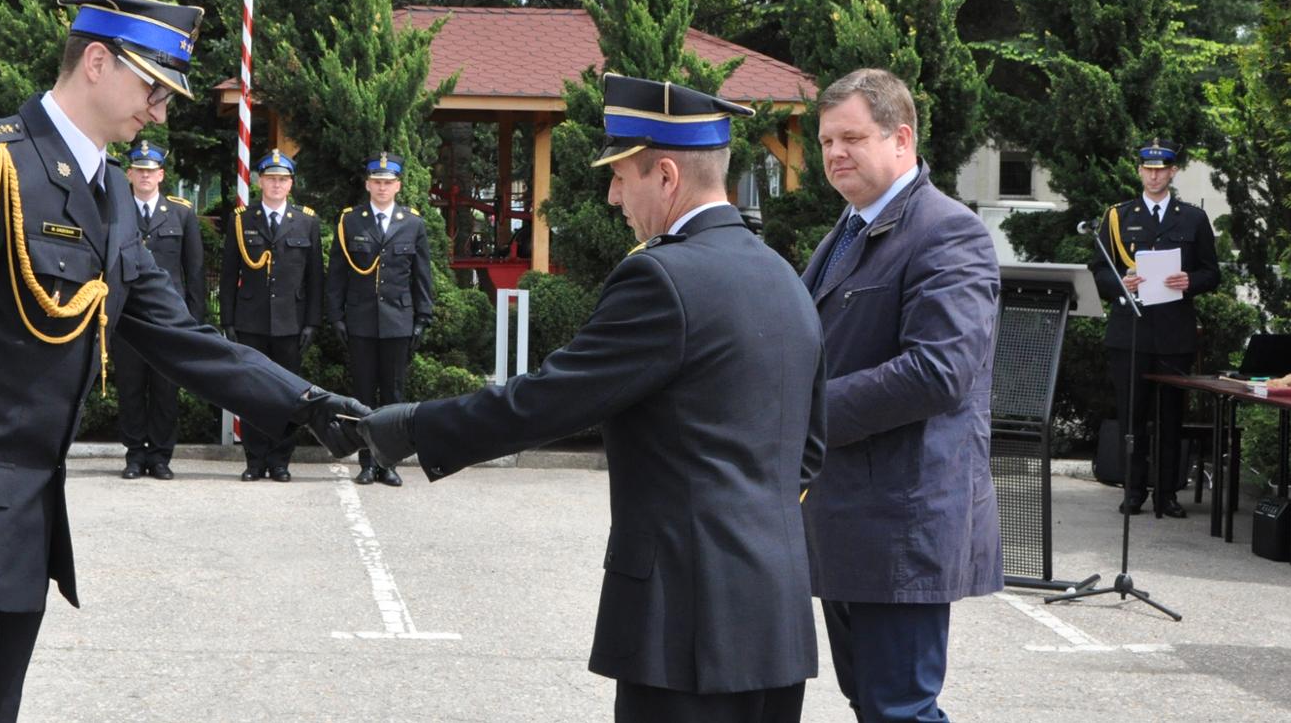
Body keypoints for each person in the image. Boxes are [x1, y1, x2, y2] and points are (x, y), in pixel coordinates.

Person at [0, 0, 367, 723]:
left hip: (25, 531)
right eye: (152, 88)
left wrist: (307, 403)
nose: (158, 111)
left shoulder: (110, 196)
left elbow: (180, 336)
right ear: (97, 61)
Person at [358, 73, 825, 723]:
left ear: (665, 176)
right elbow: (810, 450)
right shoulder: (786, 279)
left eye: (620, 177)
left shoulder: (663, 277)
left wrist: (413, 425)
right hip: (775, 622)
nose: (611, 195)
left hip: (684, 622)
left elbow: (553, 397)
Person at [799, 68, 1001, 723]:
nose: (835, 154)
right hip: (849, 518)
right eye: (827, 141)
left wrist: (803, 415)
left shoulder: (949, 233)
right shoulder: (846, 232)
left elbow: (939, 371)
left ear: (901, 139)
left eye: (852, 138)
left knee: (901, 710)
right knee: (875, 705)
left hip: (903, 521)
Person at [1089, 138, 1221, 518]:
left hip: (1174, 332)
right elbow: (1098, 269)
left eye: (1161, 169)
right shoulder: (1117, 216)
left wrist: (1190, 281)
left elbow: (1213, 273)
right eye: (1147, 169)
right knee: (1133, 416)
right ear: (1139, 172)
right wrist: (1121, 284)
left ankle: (1166, 493)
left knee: (1170, 418)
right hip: (1130, 330)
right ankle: (1133, 492)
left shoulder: (1193, 219)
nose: (1154, 175)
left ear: (1173, 172)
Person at [327, 152, 433, 487]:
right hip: (360, 320)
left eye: (388, 183)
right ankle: (366, 463)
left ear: (398, 185)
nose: (382, 188)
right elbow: (337, 274)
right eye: (377, 182)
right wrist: (337, 317)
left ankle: (389, 463)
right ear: (368, 184)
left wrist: (422, 317)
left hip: (398, 319)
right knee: (361, 396)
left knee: (393, 395)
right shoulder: (351, 221)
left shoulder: (412, 223)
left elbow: (422, 275)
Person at [221, 149, 324, 482]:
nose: (276, 185)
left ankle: (280, 460)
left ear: (290, 184)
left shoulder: (307, 221)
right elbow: (227, 275)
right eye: (270, 179)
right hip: (250, 322)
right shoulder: (242, 219)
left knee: (288, 395)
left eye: (282, 179)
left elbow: (314, 279)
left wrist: (311, 322)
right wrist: (228, 321)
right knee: (251, 393)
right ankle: (254, 460)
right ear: (260, 182)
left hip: (290, 323)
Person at [115, 140, 203, 481]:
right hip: (127, 317)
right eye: (139, 170)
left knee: (166, 390)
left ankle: (162, 456)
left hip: (169, 320)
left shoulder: (181, 213)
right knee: (131, 388)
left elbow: (193, 271)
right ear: (130, 174)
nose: (145, 176)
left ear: (161, 175)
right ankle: (135, 454)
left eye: (151, 171)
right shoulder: (116, 210)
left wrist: (194, 322)